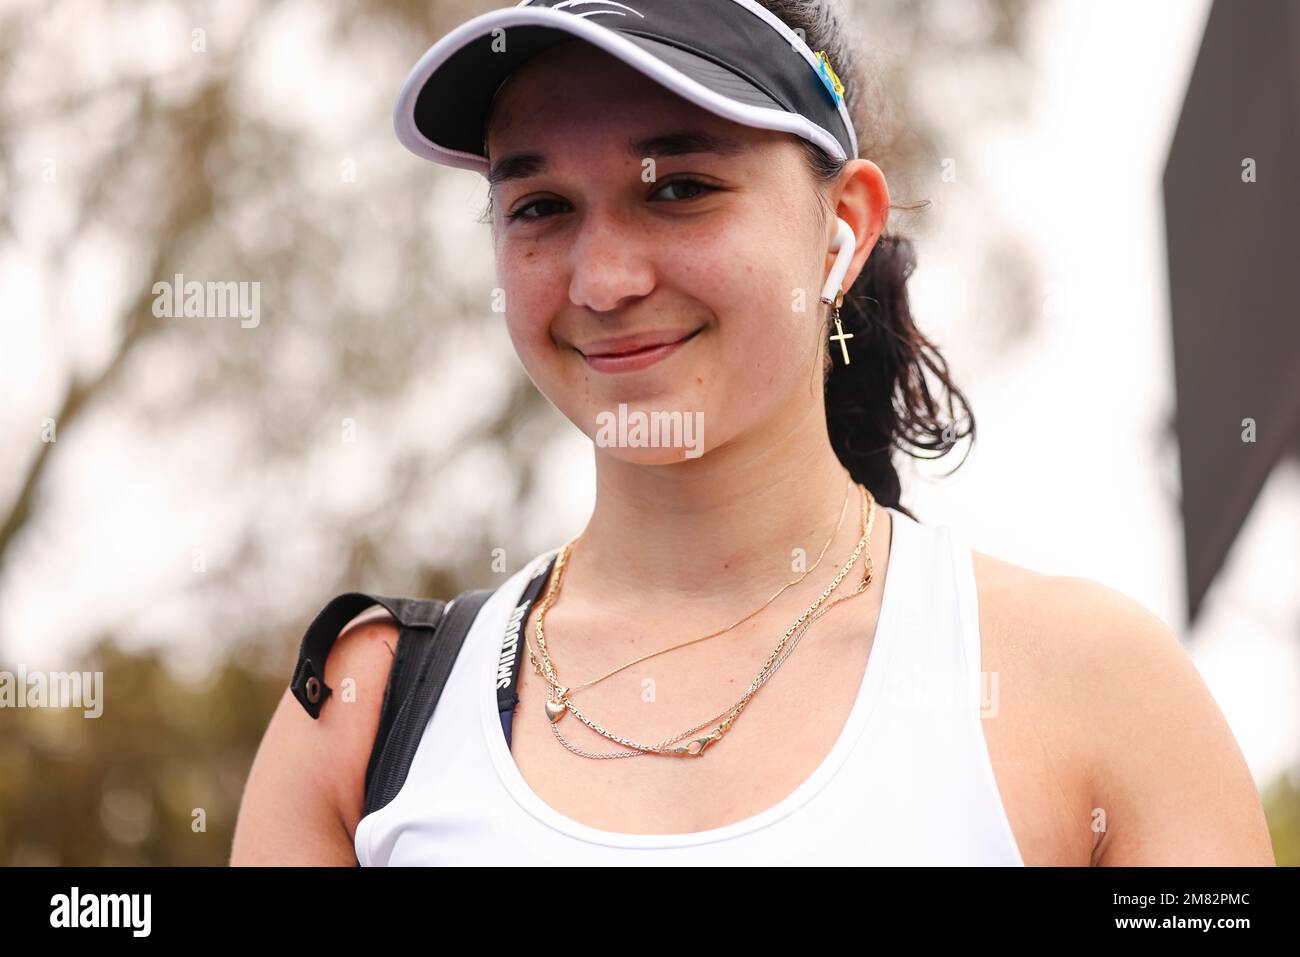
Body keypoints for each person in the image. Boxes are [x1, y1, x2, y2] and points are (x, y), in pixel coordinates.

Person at [231, 0, 1275, 866]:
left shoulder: (1095, 688)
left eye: (680, 189)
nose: (604, 281)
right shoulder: (364, 721)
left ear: (844, 226)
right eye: (540, 207)